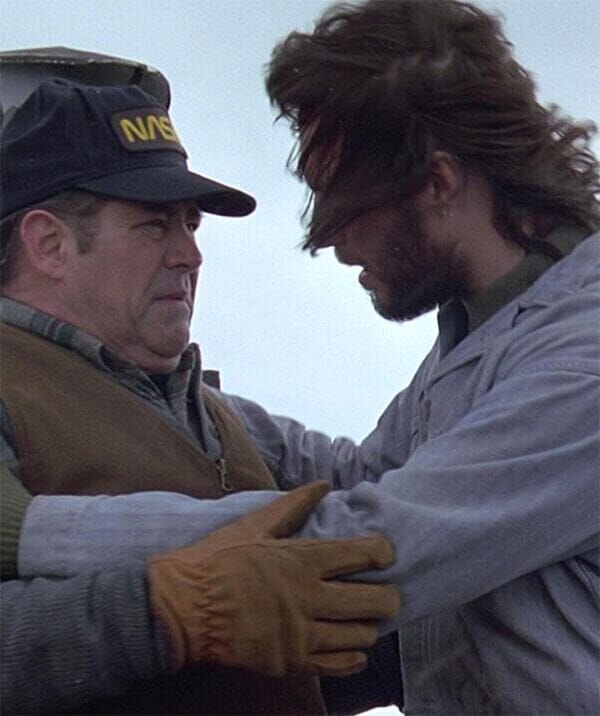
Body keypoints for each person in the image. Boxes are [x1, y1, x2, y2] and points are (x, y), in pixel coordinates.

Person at [2, 0, 599, 712]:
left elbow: (375, 538)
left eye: (345, 207)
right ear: (47, 244)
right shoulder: (486, 336)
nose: (332, 244)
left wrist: (34, 532)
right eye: (154, 225)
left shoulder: (575, 360)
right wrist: (181, 412)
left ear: (438, 183)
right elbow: (367, 476)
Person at [0, 77, 401, 715]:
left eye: (190, 225)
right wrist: (164, 615)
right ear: (49, 244)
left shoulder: (227, 417)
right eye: (153, 226)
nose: (189, 255)